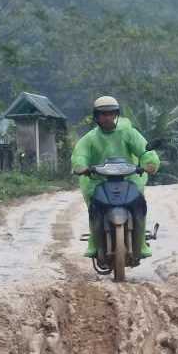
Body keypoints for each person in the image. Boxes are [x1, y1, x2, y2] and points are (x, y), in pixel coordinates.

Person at [71, 95, 160, 258]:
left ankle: (141, 244)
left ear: (116, 115)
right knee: (95, 209)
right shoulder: (90, 138)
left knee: (139, 206)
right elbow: (80, 155)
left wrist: (149, 162)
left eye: (111, 113)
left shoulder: (128, 133)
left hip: (129, 180)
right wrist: (81, 167)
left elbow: (144, 149)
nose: (107, 117)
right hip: (99, 182)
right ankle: (95, 242)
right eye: (103, 114)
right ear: (96, 116)